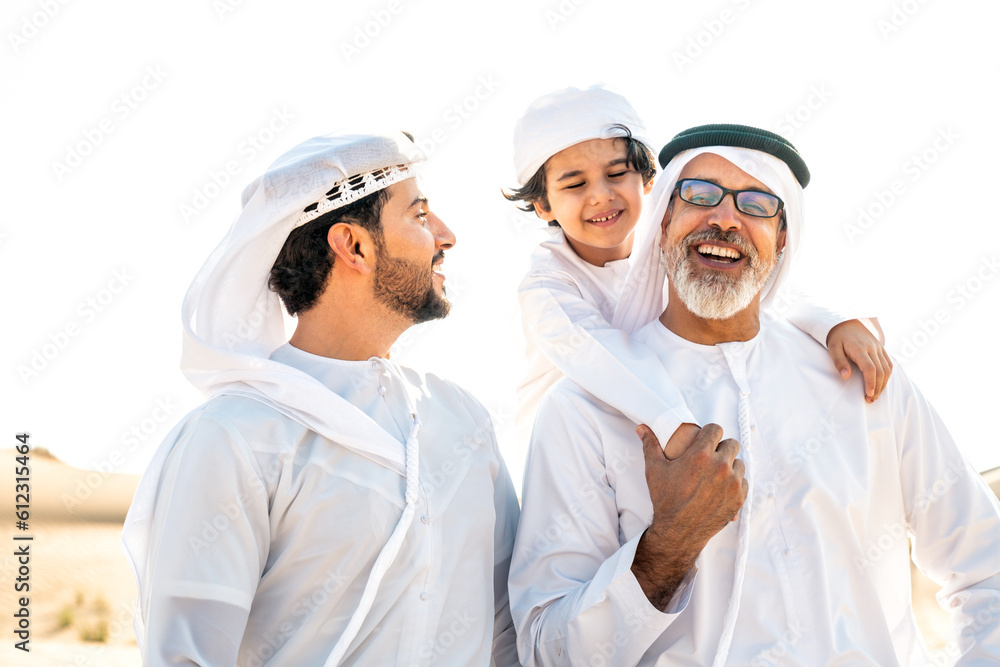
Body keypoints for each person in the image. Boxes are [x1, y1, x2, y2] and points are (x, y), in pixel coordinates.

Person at [508, 124, 1000, 666]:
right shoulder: (583, 414)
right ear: (664, 219)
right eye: (700, 195)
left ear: (783, 237)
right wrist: (668, 548)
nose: (724, 218)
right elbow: (546, 651)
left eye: (758, 203)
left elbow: (986, 566)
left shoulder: (863, 377)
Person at [122, 131, 520, 666]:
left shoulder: (462, 420)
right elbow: (186, 656)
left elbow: (508, 630)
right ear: (353, 245)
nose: (446, 236)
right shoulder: (234, 435)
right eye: (421, 216)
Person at [505, 86, 892, 460]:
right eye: (575, 183)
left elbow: (755, 293)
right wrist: (680, 434)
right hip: (580, 453)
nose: (601, 195)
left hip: (667, 432)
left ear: (648, 181)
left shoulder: (671, 240)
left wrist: (836, 324)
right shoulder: (546, 285)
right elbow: (597, 354)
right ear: (542, 205)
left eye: (617, 174)